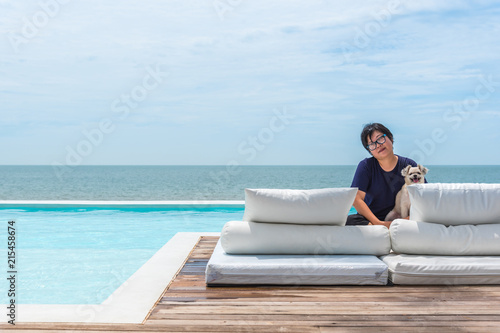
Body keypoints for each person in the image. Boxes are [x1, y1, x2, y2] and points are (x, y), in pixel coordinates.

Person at [346, 123, 422, 228]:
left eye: (380, 138)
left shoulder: (409, 165)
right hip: (373, 220)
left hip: (403, 218)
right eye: (372, 144)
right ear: (370, 151)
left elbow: (423, 195)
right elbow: (356, 199)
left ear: (390, 138)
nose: (378, 145)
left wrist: (407, 220)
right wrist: (379, 224)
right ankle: (380, 227)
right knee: (348, 220)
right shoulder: (366, 166)